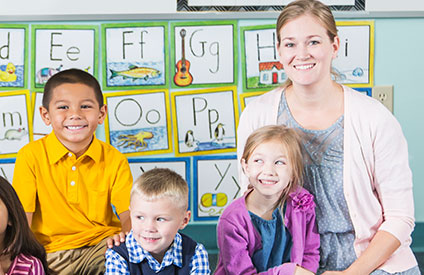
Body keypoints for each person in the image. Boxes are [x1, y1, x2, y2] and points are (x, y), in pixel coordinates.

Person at [237, 0, 417, 273]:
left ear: (334, 46)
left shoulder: (374, 118)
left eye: (313, 42)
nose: (302, 54)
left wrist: (351, 273)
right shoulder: (257, 114)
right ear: (279, 51)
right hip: (292, 264)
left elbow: (400, 218)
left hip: (373, 262)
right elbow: (250, 200)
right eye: (290, 44)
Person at [12, 69, 133, 275]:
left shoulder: (114, 158)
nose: (75, 114)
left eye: (85, 106)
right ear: (46, 115)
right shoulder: (30, 156)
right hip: (47, 252)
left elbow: (130, 213)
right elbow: (23, 217)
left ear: (101, 114)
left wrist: (127, 238)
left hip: (101, 246)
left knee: (129, 261)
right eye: (63, 107)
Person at [216, 125, 319, 274]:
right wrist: (288, 272)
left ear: (293, 170)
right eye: (258, 161)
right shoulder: (232, 220)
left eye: (279, 162)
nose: (269, 171)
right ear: (246, 167)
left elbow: (310, 253)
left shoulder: (301, 203)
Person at [105, 168, 210, 275]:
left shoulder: (195, 253)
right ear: (131, 214)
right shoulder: (117, 255)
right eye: (140, 217)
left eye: (160, 219)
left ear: (184, 220)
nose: (149, 228)